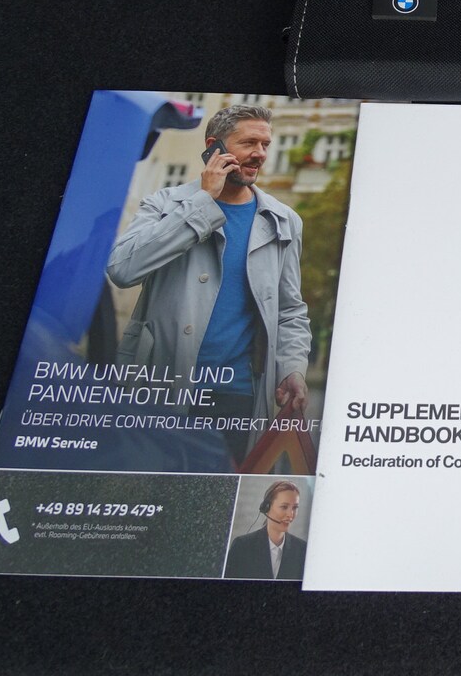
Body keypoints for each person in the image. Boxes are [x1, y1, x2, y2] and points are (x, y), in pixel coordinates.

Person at [106, 104, 309, 463]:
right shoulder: (165, 203)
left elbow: (290, 310)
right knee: (150, 488)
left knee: (216, 493)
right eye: (249, 143)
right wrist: (202, 203)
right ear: (214, 147)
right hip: (158, 385)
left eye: (265, 144)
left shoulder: (283, 220)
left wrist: (293, 368)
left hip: (238, 394)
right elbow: (123, 270)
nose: (260, 154)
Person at [224, 480, 307, 580]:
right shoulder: (242, 546)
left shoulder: (302, 550)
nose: (291, 514)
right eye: (284, 507)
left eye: (295, 507)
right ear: (267, 507)